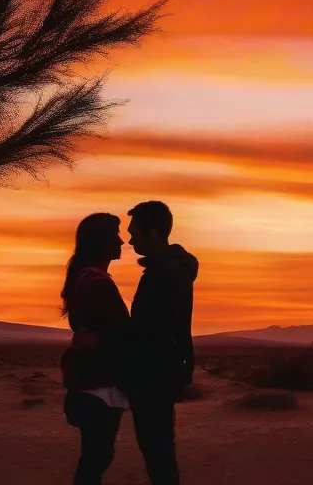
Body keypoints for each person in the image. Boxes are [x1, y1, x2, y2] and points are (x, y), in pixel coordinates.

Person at [125, 200, 199, 485]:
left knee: (158, 453)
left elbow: (158, 327)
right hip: (159, 373)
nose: (130, 239)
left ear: (153, 232)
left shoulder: (167, 273)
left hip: (155, 376)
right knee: (158, 451)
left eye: (135, 232)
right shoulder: (166, 270)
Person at [59, 213, 130, 485]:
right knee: (97, 458)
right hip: (98, 383)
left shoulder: (86, 278)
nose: (122, 241)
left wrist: (101, 337)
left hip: (89, 380)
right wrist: (104, 339)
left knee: (94, 456)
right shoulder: (97, 283)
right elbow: (122, 331)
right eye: (115, 235)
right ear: (101, 241)